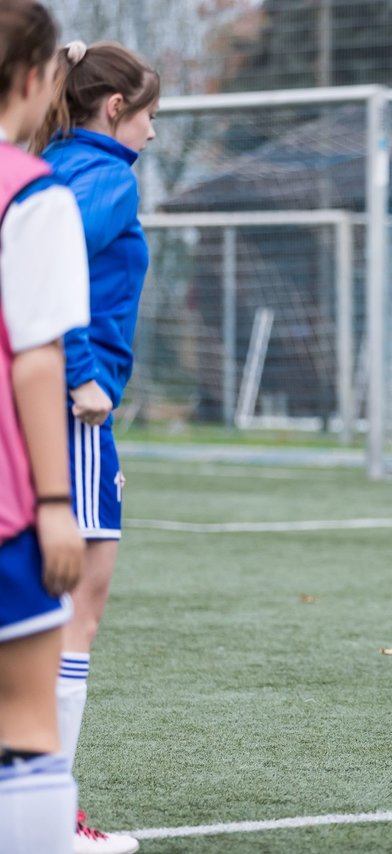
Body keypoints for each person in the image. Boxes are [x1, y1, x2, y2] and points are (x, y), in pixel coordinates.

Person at [33, 37, 158, 854]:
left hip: (50, 403)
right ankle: (49, 814)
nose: (154, 134)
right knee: (77, 608)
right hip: (71, 414)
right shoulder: (108, 173)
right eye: (153, 116)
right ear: (117, 109)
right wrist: (82, 375)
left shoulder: (53, 159)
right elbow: (46, 264)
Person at [0, 2, 90, 851]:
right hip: (6, 507)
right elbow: (36, 359)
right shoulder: (34, 192)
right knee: (25, 724)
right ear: (34, 79)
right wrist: (56, 502)